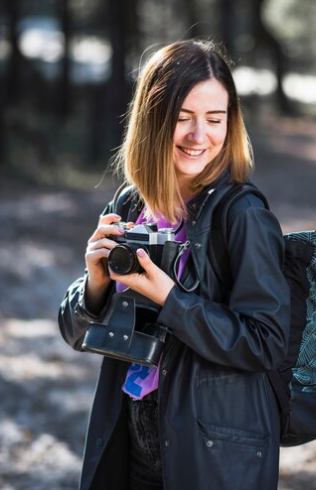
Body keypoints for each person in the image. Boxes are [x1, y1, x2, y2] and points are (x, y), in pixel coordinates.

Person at [58, 40, 290, 490]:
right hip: (130, 443)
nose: (198, 135)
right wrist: (96, 282)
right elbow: (74, 332)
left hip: (212, 455)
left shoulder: (242, 215)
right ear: (153, 119)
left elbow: (266, 343)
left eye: (214, 119)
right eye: (182, 118)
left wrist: (170, 299)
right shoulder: (130, 203)